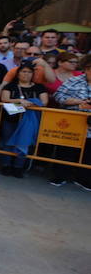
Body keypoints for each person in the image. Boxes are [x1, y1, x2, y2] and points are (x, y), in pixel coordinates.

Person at [0, 61, 49, 178]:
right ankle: (6, 165)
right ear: (18, 73)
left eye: (29, 72)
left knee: (24, 143)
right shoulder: (10, 86)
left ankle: (18, 167)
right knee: (7, 142)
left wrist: (31, 103)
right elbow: (4, 98)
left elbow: (44, 102)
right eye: (23, 71)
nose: (26, 74)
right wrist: (19, 101)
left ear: (33, 74)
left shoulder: (39, 87)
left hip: (30, 122)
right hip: (11, 119)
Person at [51, 55, 91, 190]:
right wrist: (78, 102)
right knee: (66, 151)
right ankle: (60, 176)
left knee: (88, 153)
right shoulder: (73, 81)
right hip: (73, 123)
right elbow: (58, 96)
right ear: (86, 68)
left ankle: (83, 179)